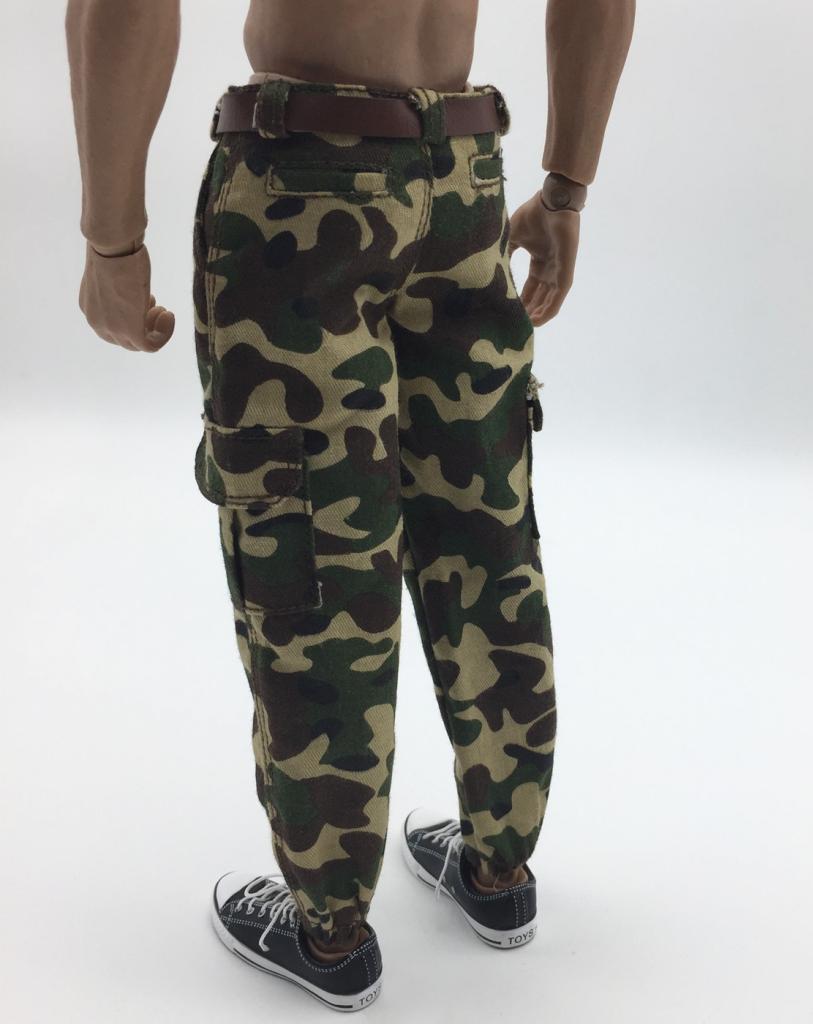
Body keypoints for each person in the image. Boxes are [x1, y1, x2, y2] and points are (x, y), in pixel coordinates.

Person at [67, 0, 634, 1010]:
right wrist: (566, 187)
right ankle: (498, 867)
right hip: (462, 175)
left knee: (312, 552)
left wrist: (112, 241)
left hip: (303, 184)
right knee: (482, 532)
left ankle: (329, 931)